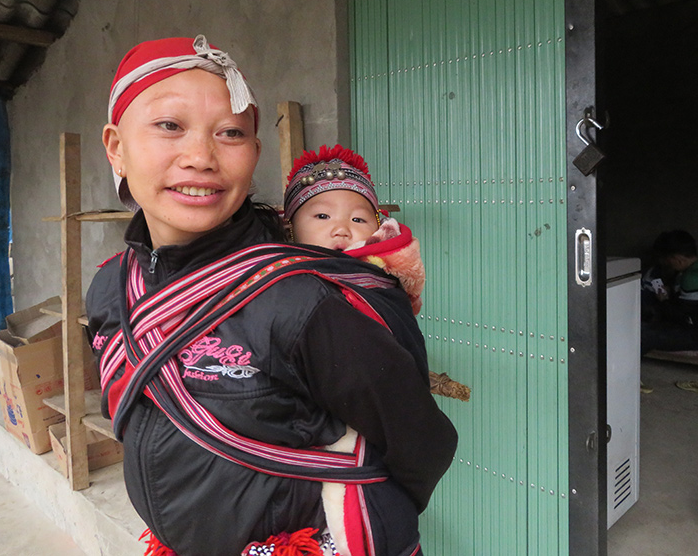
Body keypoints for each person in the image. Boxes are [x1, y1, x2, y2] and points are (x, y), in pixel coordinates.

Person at [85, 35, 457, 556]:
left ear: (254, 154)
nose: (201, 156)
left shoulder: (306, 301)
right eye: (169, 125)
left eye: (230, 133)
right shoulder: (111, 287)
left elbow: (422, 444)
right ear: (116, 148)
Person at [283, 144, 470, 402]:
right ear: (290, 227)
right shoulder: (274, 281)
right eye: (323, 216)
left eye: (358, 220)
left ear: (377, 228)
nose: (341, 229)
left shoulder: (383, 285)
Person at [640, 229, 698, 354]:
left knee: (642, 335)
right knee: (648, 322)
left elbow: (678, 315)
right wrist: (671, 292)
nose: (668, 265)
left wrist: (663, 300)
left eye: (667, 260)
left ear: (677, 259)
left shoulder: (693, 278)